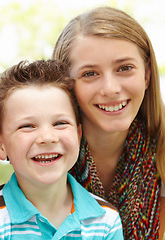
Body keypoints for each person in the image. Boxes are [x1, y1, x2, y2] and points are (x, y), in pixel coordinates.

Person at [0, 60, 124, 239]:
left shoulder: (106, 221)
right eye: (28, 126)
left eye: (60, 123)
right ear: (0, 145)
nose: (47, 137)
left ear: (78, 135)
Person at [52, 6, 165, 239]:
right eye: (90, 74)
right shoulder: (42, 146)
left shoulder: (161, 148)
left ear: (146, 75)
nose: (111, 89)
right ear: (66, 83)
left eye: (125, 68)